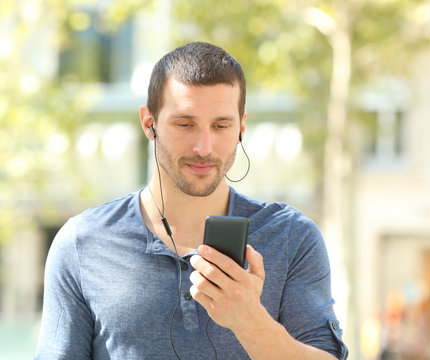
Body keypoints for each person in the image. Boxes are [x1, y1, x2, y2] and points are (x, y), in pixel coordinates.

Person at [35, 41, 348, 359]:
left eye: (221, 125)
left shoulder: (292, 237)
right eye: (185, 124)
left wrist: (251, 323)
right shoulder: (82, 242)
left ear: (241, 127)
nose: (204, 147)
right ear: (149, 123)